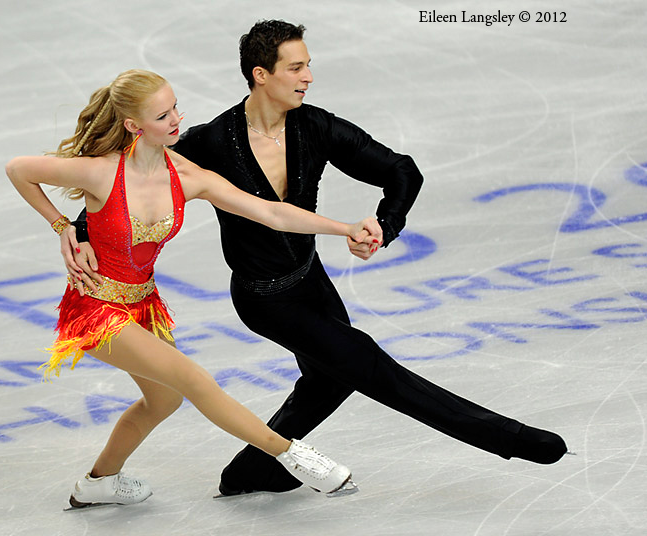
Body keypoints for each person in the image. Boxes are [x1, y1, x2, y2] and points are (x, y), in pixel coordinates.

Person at [62, 21, 568, 498]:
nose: (308, 77)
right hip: (264, 298)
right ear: (261, 75)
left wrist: (382, 225)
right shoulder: (209, 144)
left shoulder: (316, 127)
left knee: (331, 378)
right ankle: (513, 439)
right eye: (295, 68)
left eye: (308, 65)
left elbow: (401, 171)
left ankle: (250, 472)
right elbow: (125, 187)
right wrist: (77, 233)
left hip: (312, 281)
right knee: (367, 363)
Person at [6, 69, 373, 507]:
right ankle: (293, 456)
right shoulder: (100, 173)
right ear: (133, 125)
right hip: (94, 308)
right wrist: (62, 225)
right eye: (163, 115)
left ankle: (98, 482)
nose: (177, 119)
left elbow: (272, 214)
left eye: (175, 106)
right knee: (195, 380)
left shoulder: (188, 176)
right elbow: (19, 170)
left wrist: (344, 227)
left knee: (164, 401)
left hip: (143, 306)